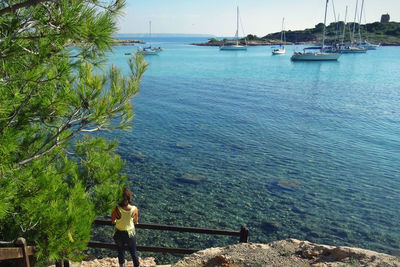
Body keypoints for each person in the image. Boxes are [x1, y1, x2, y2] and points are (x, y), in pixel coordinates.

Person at [112, 187, 140, 267]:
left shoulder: (116, 209)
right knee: (133, 252)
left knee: (121, 252)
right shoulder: (134, 209)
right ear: (129, 197)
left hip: (118, 233)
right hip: (130, 234)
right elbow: (136, 221)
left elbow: (113, 221)